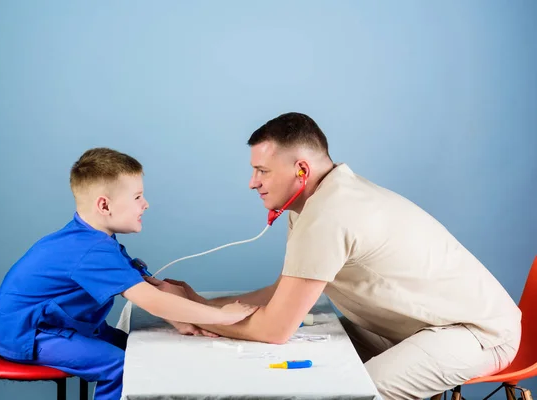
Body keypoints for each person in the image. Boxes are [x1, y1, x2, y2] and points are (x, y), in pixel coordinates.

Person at [153, 113, 521, 400]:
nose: (253, 182)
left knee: (346, 393)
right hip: (415, 327)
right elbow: (284, 290)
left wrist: (187, 315)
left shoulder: (329, 215)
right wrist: (201, 306)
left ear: (301, 170)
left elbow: (274, 329)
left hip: (473, 333)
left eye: (262, 170)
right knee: (310, 358)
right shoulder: (314, 203)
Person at [0, 147, 258, 400]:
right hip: (29, 334)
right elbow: (150, 299)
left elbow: (144, 284)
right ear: (104, 206)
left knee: (142, 349)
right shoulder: (91, 251)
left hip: (59, 326)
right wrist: (222, 315)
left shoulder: (92, 239)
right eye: (138, 197)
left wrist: (179, 319)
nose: (146, 204)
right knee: (122, 366)